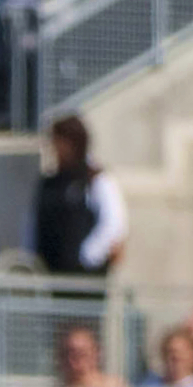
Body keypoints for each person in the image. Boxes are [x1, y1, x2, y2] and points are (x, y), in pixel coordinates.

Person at [31, 114, 125, 278]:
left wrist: (87, 257)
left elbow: (113, 223)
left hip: (85, 279)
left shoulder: (95, 179)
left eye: (59, 142)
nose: (54, 148)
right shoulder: (49, 182)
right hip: (50, 276)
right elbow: (33, 222)